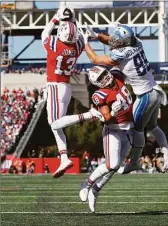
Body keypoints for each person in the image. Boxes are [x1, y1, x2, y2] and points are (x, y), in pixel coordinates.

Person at [79, 23, 168, 173]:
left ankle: (135, 161)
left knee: (138, 130)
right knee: (153, 126)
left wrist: (85, 42)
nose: (113, 41)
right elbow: (113, 40)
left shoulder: (121, 54)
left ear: (122, 41)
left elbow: (95, 60)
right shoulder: (136, 42)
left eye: (116, 40)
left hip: (145, 96)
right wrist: (96, 36)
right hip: (156, 90)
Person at [51, 66, 133, 213]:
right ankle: (87, 184)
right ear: (97, 83)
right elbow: (107, 119)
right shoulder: (100, 94)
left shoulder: (117, 75)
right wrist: (114, 110)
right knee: (113, 164)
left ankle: (96, 189)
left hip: (129, 128)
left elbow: (117, 61)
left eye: (103, 74)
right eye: (100, 78)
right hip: (113, 130)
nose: (104, 78)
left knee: (116, 167)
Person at [41, 6, 84, 178]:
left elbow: (44, 33)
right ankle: (64, 157)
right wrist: (72, 20)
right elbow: (78, 35)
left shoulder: (54, 45)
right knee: (57, 124)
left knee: (54, 123)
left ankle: (86, 116)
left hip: (54, 86)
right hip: (66, 87)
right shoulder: (77, 47)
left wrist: (55, 19)